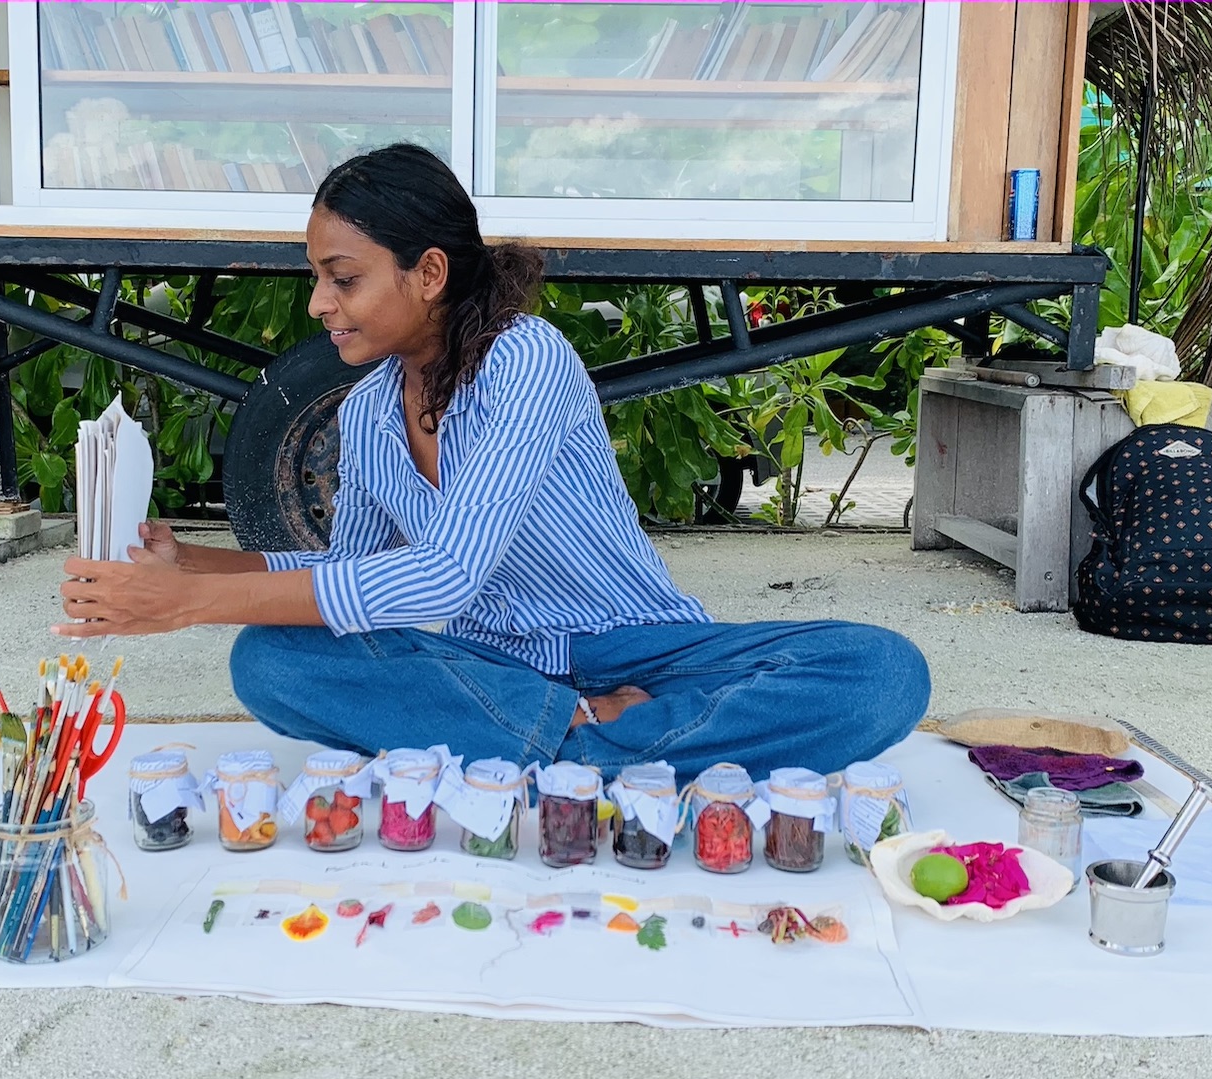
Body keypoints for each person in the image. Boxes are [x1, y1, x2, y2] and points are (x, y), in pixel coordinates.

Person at [56, 143, 929, 780]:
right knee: (270, 659)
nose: (319, 302)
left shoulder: (525, 359)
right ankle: (596, 741)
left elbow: (444, 576)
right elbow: (347, 581)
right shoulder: (367, 414)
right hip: (497, 672)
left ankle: (559, 747)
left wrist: (189, 605)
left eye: (343, 277)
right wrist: (187, 564)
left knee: (880, 672)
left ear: (429, 272)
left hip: (643, 649)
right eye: (317, 277)